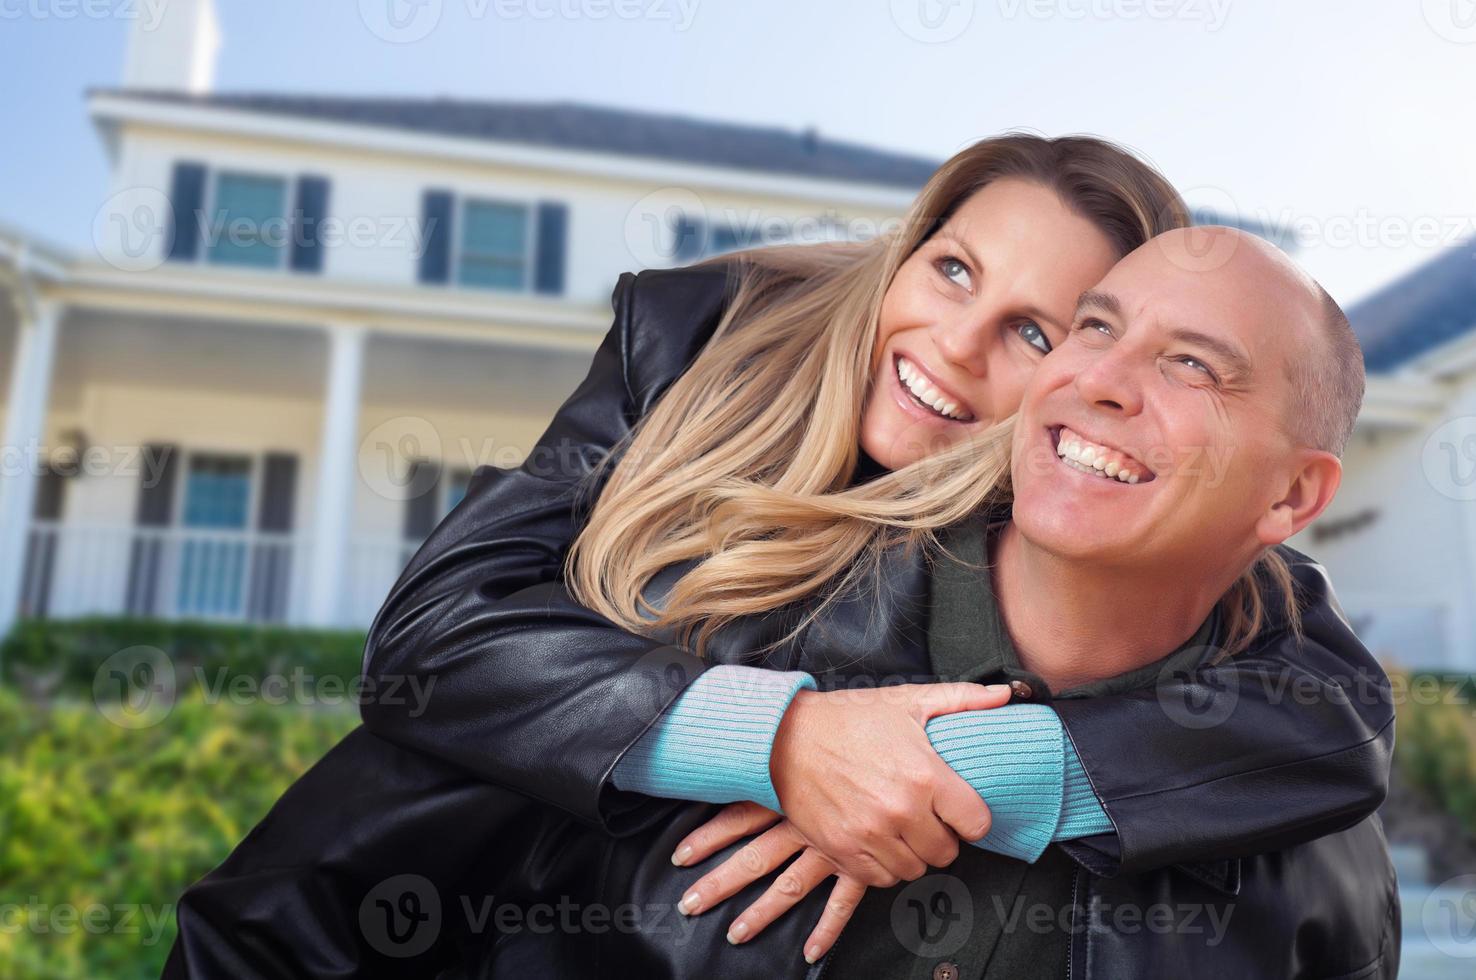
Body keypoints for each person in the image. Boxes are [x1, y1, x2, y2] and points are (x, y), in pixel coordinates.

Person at [163, 138, 1392, 977]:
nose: (958, 349)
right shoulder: (702, 367)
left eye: (1036, 327)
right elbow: (440, 642)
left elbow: (1335, 716)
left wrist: (965, 767)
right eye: (953, 268)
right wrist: (782, 737)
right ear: (906, 252)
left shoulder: (1243, 674)